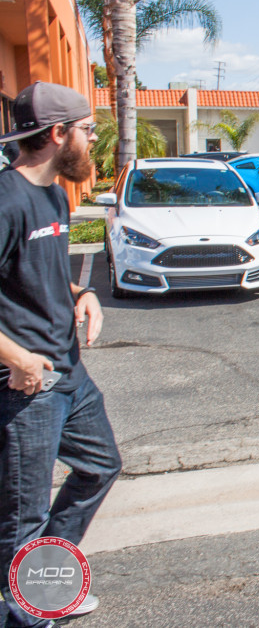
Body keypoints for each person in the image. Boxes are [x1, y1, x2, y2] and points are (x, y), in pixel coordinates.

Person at [0, 82, 122, 627]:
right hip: (28, 385)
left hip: (69, 372)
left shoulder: (53, 193)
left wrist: (84, 293)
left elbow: (37, 277)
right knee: (22, 515)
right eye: (88, 130)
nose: (93, 140)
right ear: (56, 134)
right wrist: (17, 359)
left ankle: (41, 584)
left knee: (100, 466)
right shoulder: (6, 201)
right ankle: (26, 611)